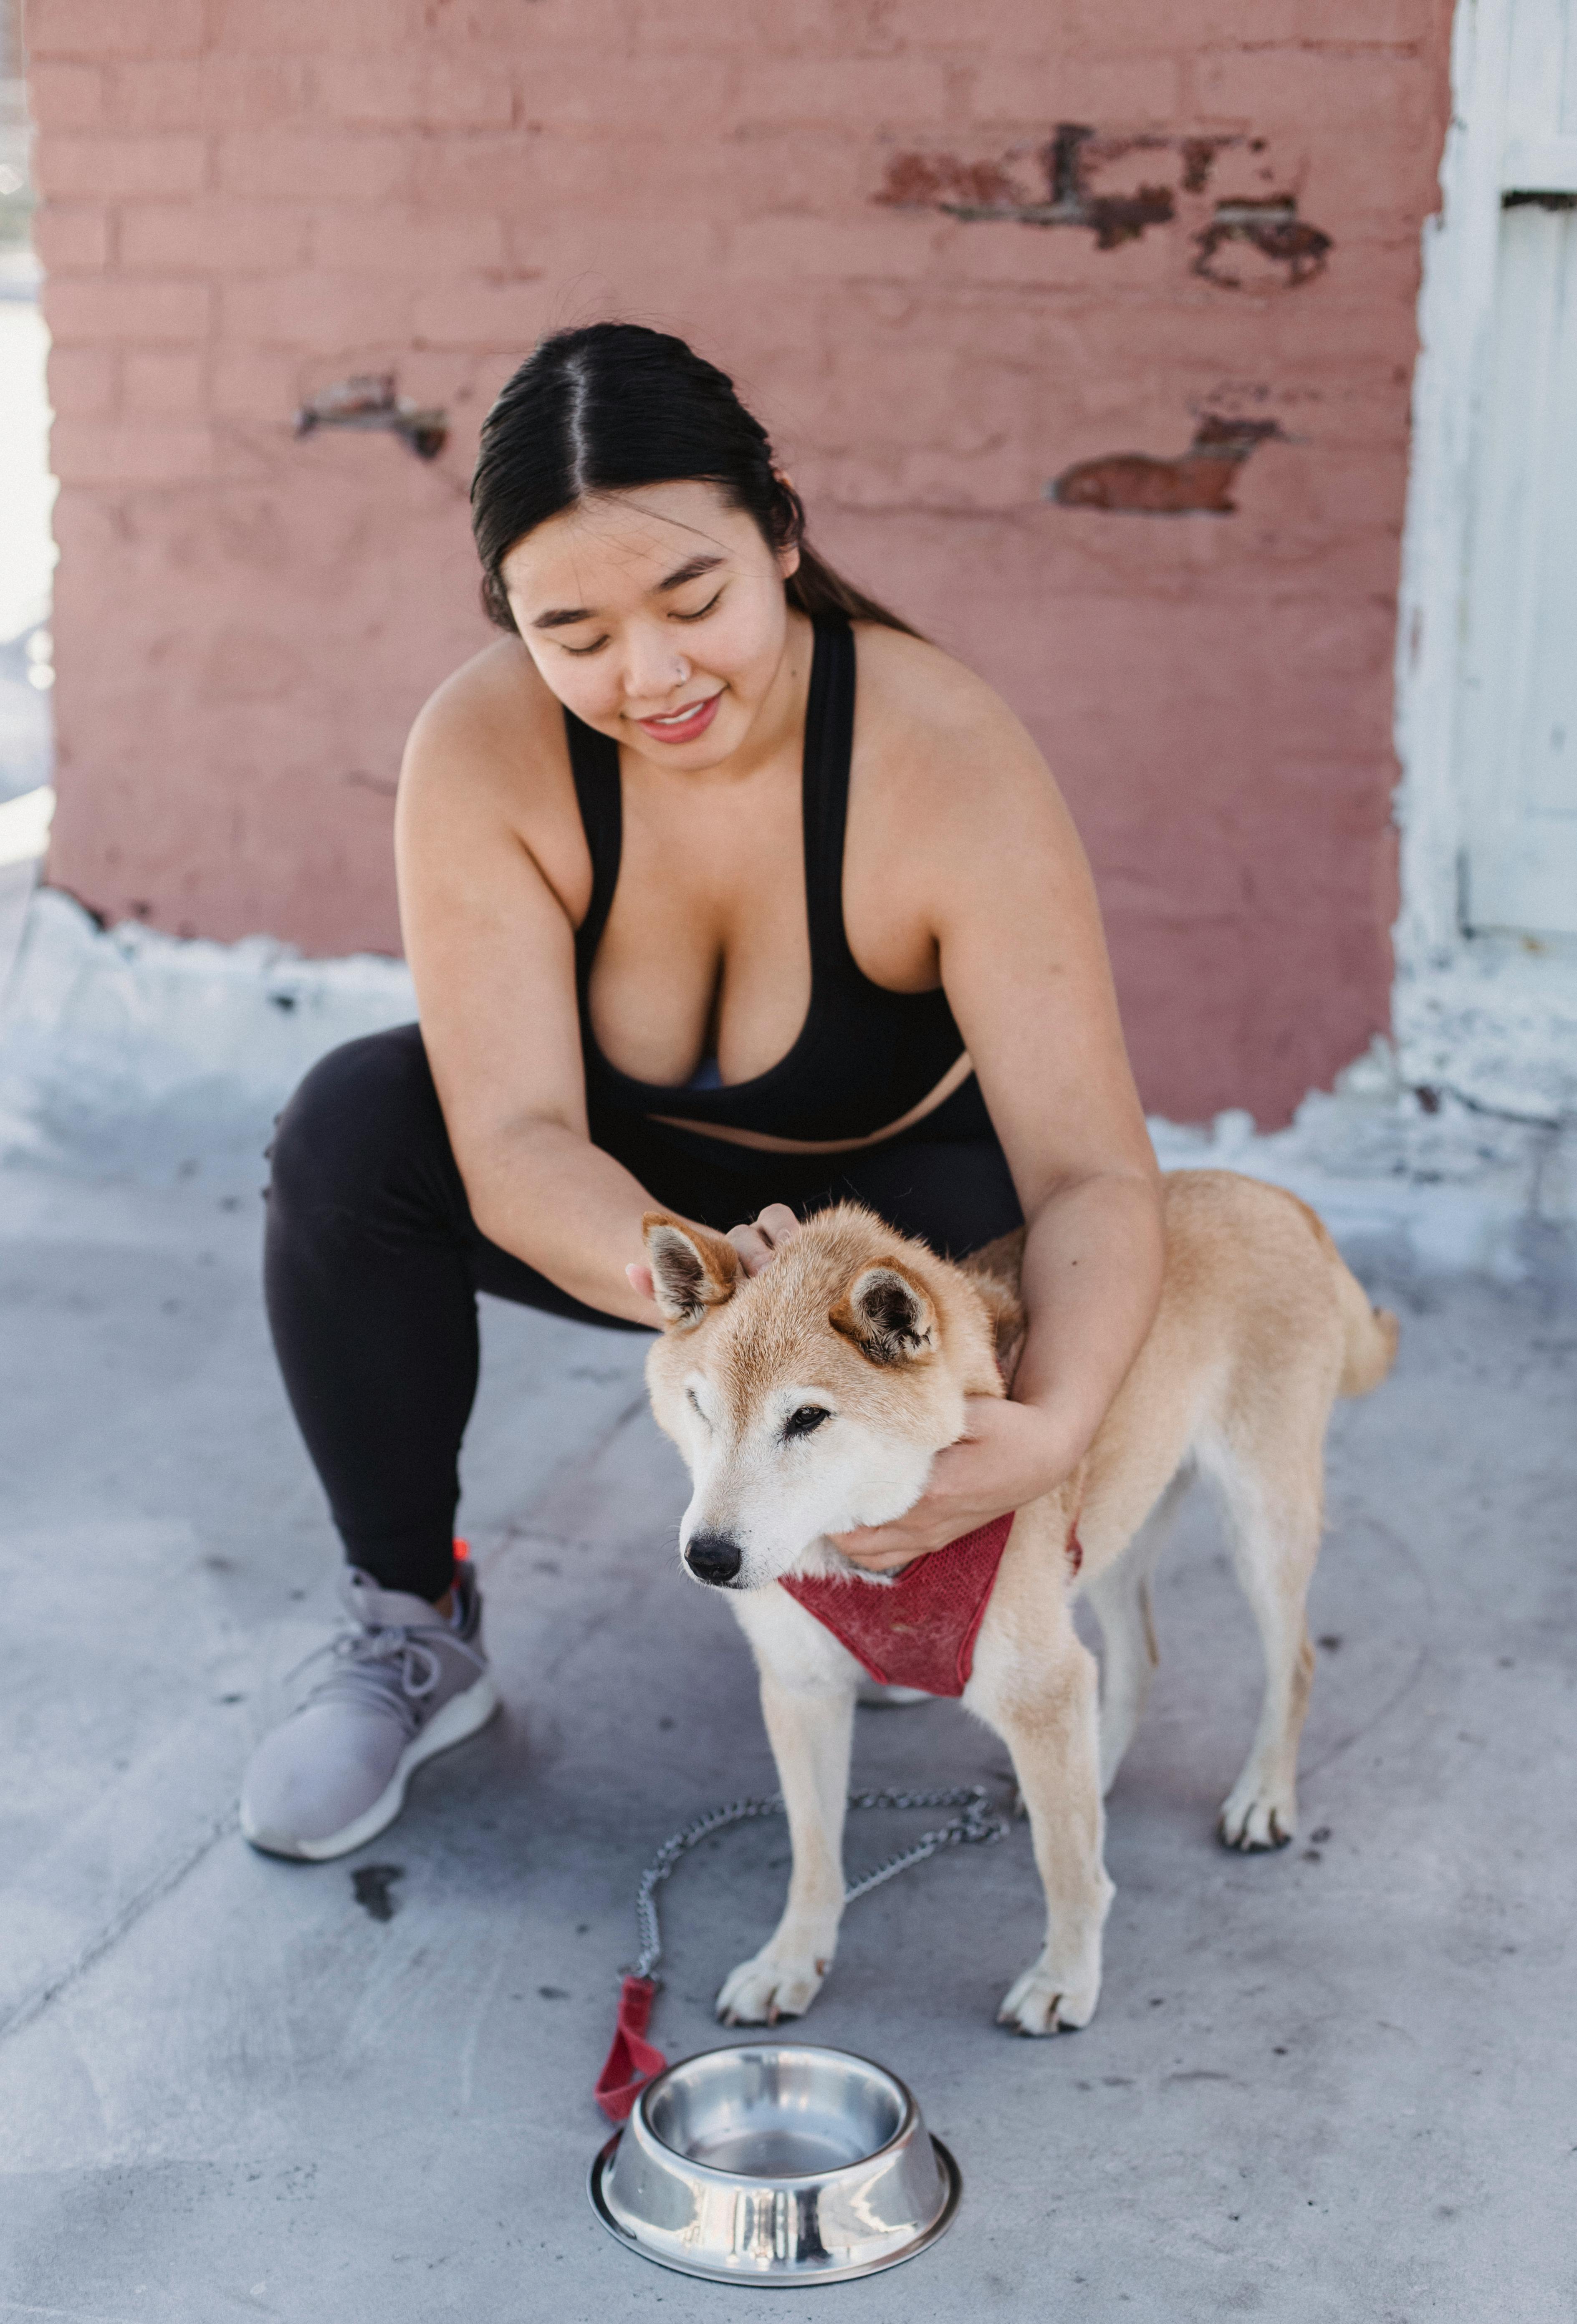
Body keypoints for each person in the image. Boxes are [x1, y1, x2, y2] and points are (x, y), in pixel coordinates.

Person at [240, 323, 1165, 1862]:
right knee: (349, 1130)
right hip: (651, 1231)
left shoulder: (941, 757)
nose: (652, 675)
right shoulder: (484, 749)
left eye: (695, 600)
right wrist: (718, 1293)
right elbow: (514, 1136)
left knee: (993, 1255)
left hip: (909, 1223)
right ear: (508, 621)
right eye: (574, 631)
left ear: (783, 534)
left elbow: (1094, 1174)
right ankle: (414, 1622)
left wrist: (1054, 1424)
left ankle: (885, 1547)